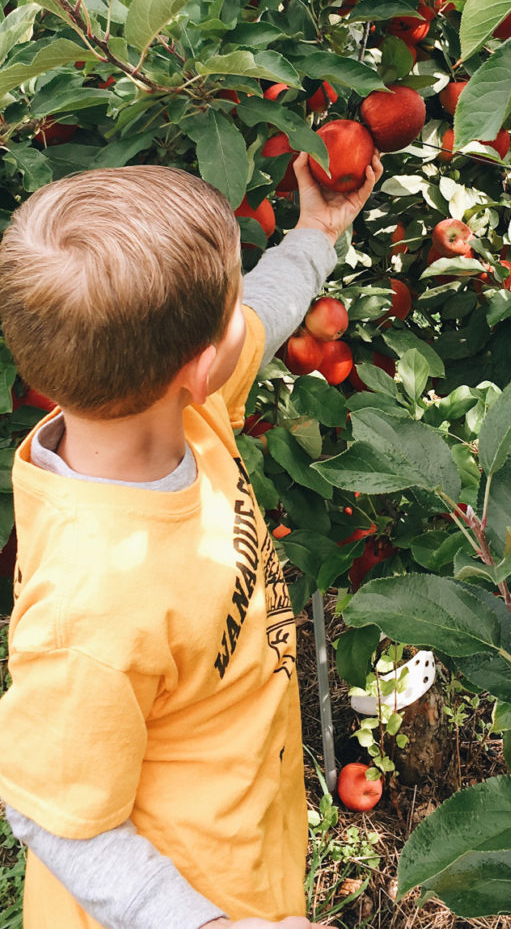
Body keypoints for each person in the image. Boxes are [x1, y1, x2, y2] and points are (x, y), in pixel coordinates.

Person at [0, 147, 381, 929]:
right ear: (201, 368)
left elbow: (265, 318)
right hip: (177, 903)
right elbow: (55, 815)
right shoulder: (91, 603)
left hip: (240, 857)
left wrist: (315, 233)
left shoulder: (177, 412)